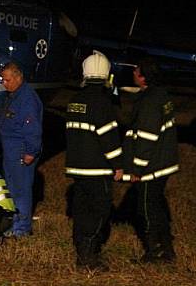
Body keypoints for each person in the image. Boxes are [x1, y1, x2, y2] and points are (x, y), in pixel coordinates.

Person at [65, 51, 123, 270]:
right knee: (99, 211)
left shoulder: (74, 100)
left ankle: (82, 253)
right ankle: (89, 257)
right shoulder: (102, 103)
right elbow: (109, 138)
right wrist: (118, 165)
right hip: (98, 170)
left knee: (81, 211)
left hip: (77, 168)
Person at [122, 57, 179, 264]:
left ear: (143, 77)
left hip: (151, 166)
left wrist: (137, 167)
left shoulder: (149, 102)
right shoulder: (162, 96)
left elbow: (146, 137)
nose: (134, 74)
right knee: (156, 204)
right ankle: (166, 249)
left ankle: (155, 251)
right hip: (163, 163)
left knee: (146, 208)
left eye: (136, 71)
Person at [0, 62, 43, 237]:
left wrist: (31, 152)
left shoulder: (27, 99)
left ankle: (22, 228)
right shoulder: (14, 95)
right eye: (3, 79)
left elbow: (32, 129)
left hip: (20, 150)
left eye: (7, 80)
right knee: (12, 187)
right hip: (11, 150)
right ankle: (13, 223)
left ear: (18, 77)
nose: (4, 83)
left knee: (21, 189)